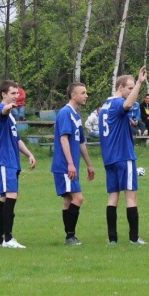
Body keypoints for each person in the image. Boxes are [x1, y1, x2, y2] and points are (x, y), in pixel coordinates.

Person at [99, 67, 148, 244]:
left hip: (109, 157)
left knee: (113, 197)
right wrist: (140, 83)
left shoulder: (105, 106)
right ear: (120, 87)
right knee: (131, 196)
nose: (131, 91)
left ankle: (113, 239)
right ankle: (134, 238)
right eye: (129, 88)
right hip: (123, 155)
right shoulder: (118, 103)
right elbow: (127, 105)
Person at [0, 80, 37, 249]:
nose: (17, 96)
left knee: (5, 199)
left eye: (17, 93)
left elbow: (16, 140)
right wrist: (6, 108)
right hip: (4, 160)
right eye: (13, 93)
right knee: (11, 196)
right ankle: (8, 238)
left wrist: (29, 154)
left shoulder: (11, 116)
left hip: (12, 160)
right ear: (4, 94)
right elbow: (1, 112)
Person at [52, 82, 96, 245]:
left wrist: (89, 165)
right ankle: (70, 236)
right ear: (73, 96)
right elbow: (63, 139)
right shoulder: (65, 113)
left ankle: (69, 236)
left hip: (71, 165)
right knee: (78, 198)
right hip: (64, 165)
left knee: (69, 201)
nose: (86, 95)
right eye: (83, 93)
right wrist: (70, 164)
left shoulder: (76, 116)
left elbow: (80, 143)